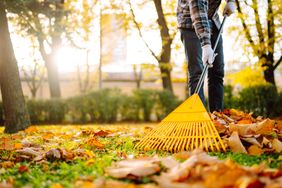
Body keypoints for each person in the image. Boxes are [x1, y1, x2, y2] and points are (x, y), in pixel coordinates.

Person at [177, 0, 236, 112]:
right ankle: (199, 119)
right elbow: (198, 11)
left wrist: (231, 1)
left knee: (217, 72)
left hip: (212, 20)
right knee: (197, 73)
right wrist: (206, 45)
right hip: (190, 21)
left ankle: (217, 117)